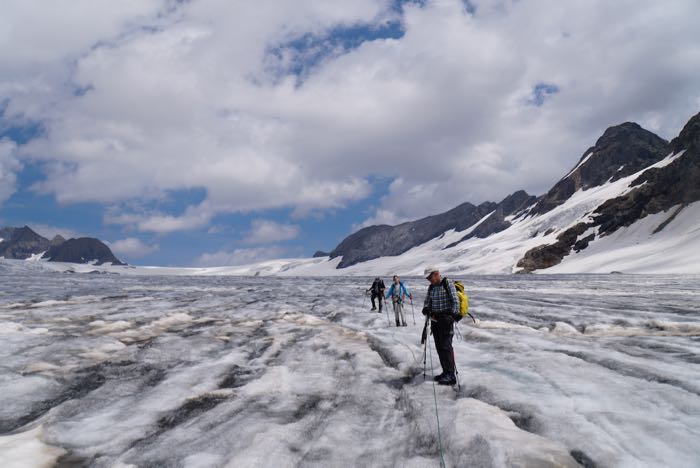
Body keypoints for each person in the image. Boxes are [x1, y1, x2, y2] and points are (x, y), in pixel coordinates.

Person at [422, 266, 459, 386]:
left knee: (446, 347)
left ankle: (451, 375)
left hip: (446, 321)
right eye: (427, 278)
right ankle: (445, 372)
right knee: (439, 347)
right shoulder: (431, 287)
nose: (429, 280)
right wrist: (426, 308)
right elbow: (427, 301)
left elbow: (455, 301)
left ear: (437, 274)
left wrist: (452, 317)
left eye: (430, 277)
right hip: (435, 321)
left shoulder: (447, 283)